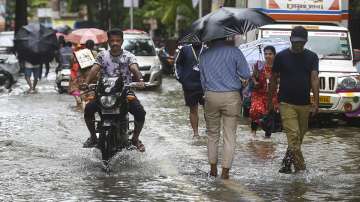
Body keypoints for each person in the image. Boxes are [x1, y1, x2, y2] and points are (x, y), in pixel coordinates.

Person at [81, 28, 146, 152]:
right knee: (88, 109)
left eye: (118, 40)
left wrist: (140, 80)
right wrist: (86, 82)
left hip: (125, 91)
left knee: (140, 112)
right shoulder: (102, 55)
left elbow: (134, 68)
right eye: (112, 40)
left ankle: (135, 139)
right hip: (104, 93)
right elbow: (94, 69)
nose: (115, 43)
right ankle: (93, 137)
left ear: (122, 41)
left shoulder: (128, 56)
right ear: (108, 41)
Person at [268, 26, 319, 174]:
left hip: (304, 104)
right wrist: (270, 101)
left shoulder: (312, 57)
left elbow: (314, 79)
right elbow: (273, 80)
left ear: (306, 41)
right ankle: (302, 171)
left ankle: (286, 164)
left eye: (301, 42)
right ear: (290, 40)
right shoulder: (281, 56)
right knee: (294, 136)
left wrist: (316, 102)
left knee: (297, 139)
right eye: (296, 42)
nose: (298, 45)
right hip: (286, 103)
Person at [199, 37, 251, 179]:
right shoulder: (235, 52)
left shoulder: (204, 55)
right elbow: (246, 74)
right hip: (232, 97)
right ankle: (225, 172)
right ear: (226, 37)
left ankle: (213, 170)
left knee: (212, 134)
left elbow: (202, 80)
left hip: (211, 96)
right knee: (229, 136)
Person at [175, 42, 204, 138]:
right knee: (193, 109)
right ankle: (196, 133)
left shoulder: (207, 49)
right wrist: (182, 79)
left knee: (209, 110)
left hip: (206, 86)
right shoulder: (184, 49)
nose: (196, 40)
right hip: (190, 86)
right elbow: (177, 64)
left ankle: (210, 131)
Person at [249, 46, 278, 138]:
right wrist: (255, 81)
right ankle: (253, 134)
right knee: (255, 110)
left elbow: (281, 80)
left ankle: (267, 137)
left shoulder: (277, 67)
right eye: (265, 54)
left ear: (274, 55)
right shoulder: (259, 64)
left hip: (271, 95)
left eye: (270, 54)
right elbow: (253, 76)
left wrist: (270, 77)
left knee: (269, 114)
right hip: (259, 93)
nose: (267, 56)